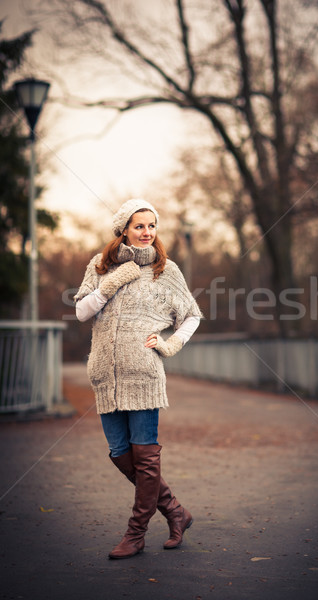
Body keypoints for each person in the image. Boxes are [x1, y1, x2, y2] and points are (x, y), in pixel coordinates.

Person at [74, 198, 202, 560]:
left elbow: (191, 315)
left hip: (144, 374)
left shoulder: (166, 270)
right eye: (139, 226)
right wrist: (112, 282)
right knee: (120, 453)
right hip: (104, 375)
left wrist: (171, 343)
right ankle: (176, 512)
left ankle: (136, 533)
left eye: (152, 226)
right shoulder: (100, 266)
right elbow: (82, 312)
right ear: (124, 230)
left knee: (145, 458)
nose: (147, 233)